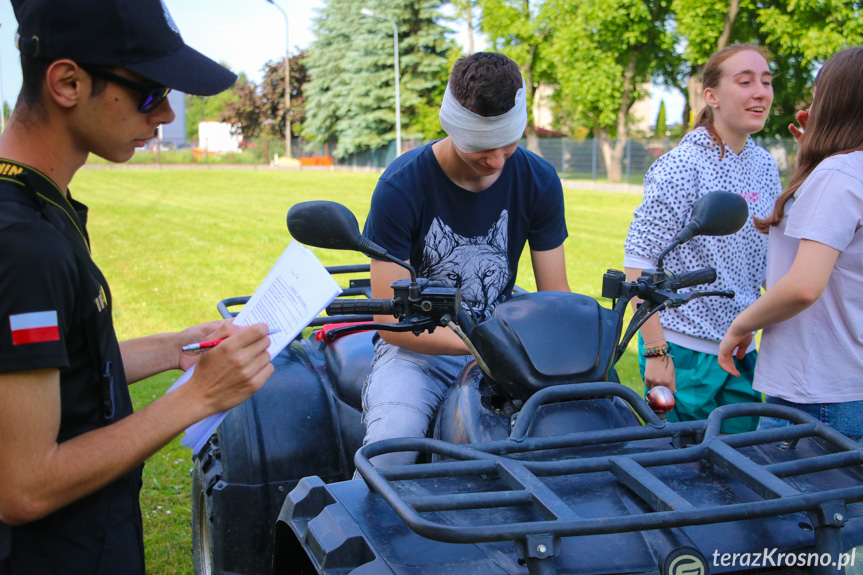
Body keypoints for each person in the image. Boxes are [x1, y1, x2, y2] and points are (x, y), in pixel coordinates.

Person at [0, 1, 274, 573]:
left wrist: (175, 348)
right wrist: (201, 398)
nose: (166, 114)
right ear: (68, 82)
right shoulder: (24, 244)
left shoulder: (39, 207)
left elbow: (63, 372)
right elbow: (23, 487)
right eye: (151, 93)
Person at [360, 52, 570, 467]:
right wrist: (487, 347)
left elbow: (556, 299)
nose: (494, 162)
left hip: (502, 343)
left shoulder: (539, 180)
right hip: (418, 349)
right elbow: (391, 323)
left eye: (507, 147)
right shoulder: (401, 186)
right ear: (453, 126)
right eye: (481, 149)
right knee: (389, 453)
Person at [623, 44, 781, 433]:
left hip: (741, 348)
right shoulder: (681, 166)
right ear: (711, 96)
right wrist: (658, 351)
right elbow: (639, 262)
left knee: (741, 472)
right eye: (745, 81)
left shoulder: (764, 165)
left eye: (766, 81)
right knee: (684, 475)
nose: (760, 91)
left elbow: (766, 260)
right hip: (683, 350)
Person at [719, 47, 863, 440]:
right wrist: (813, 160)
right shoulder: (843, 171)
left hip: (816, 393)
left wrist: (742, 324)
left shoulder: (839, 176)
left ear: (838, 101)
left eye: (818, 97)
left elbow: (804, 285)